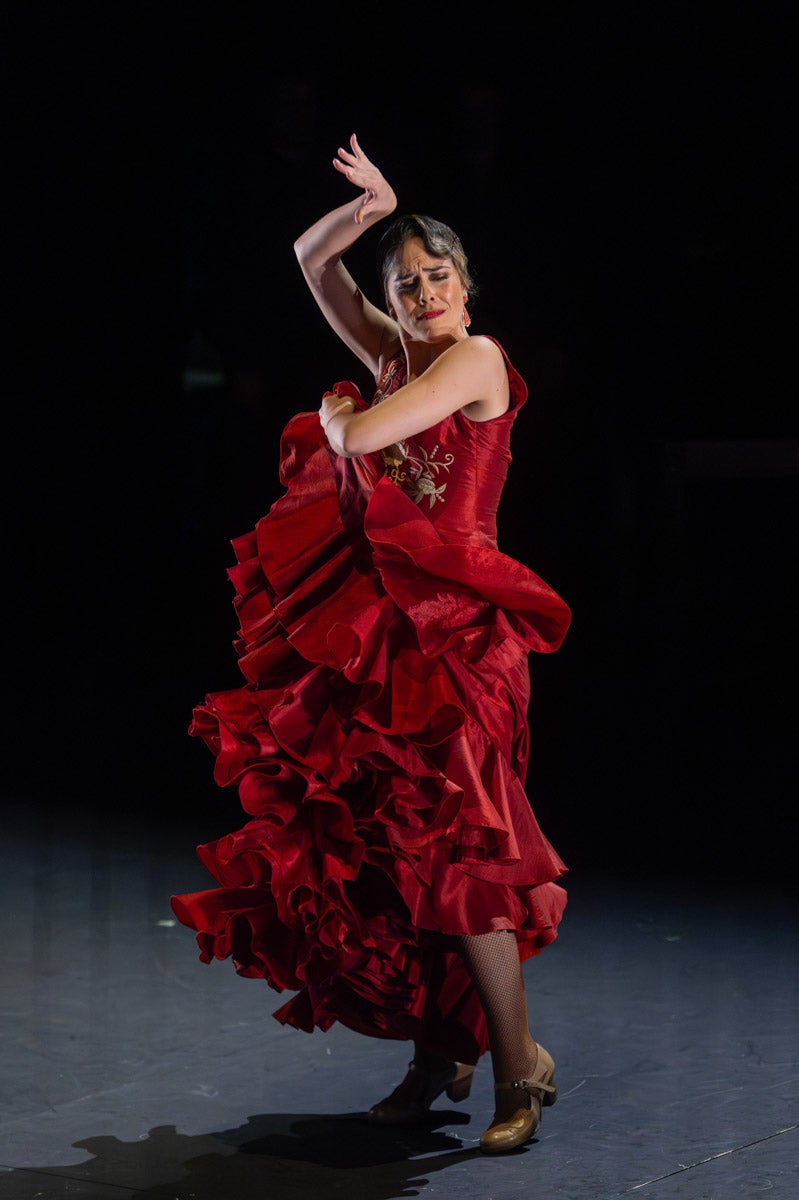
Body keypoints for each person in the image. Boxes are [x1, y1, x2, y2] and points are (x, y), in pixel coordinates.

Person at [171, 134, 572, 1154]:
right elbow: (310, 262)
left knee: (466, 853)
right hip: (391, 634)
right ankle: (442, 1049)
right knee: (396, 853)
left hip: (465, 635)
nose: (424, 289)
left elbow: (356, 440)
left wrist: (336, 411)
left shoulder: (475, 360)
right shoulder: (395, 353)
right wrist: (371, 207)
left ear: (466, 289)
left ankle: (519, 1069)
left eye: (438, 274)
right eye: (406, 280)